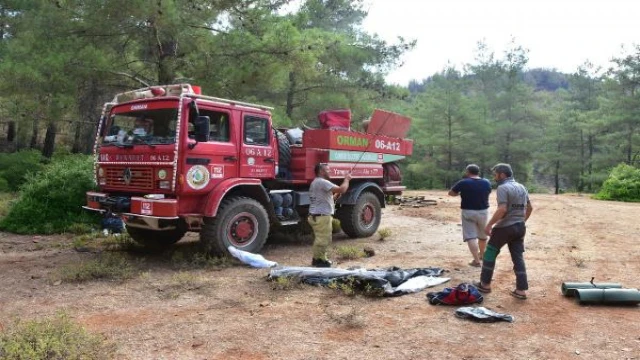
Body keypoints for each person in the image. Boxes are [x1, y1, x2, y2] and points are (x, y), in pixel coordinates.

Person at [474, 163, 533, 300]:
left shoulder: (503, 187)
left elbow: (502, 209)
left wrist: (489, 225)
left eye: (495, 174)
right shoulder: (522, 187)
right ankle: (521, 290)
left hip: (505, 227)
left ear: (502, 174)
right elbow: (529, 208)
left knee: (490, 253)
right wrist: (521, 221)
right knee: (518, 257)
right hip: (519, 227)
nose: (494, 177)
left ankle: (485, 284)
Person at [448, 164, 492, 267]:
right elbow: (488, 192)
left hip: (468, 211)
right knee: (483, 236)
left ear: (468, 172)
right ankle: (482, 255)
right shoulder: (486, 182)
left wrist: (459, 194)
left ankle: (476, 261)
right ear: (478, 172)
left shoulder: (463, 182)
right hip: (483, 211)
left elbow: (451, 193)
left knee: (471, 236)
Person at [308, 163, 351, 267]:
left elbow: (327, 198)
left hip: (315, 216)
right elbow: (342, 189)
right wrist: (347, 180)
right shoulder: (322, 182)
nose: (330, 171)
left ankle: (316, 259)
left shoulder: (316, 182)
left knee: (319, 239)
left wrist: (336, 195)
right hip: (322, 217)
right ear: (321, 172)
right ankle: (321, 261)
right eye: (328, 170)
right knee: (324, 240)